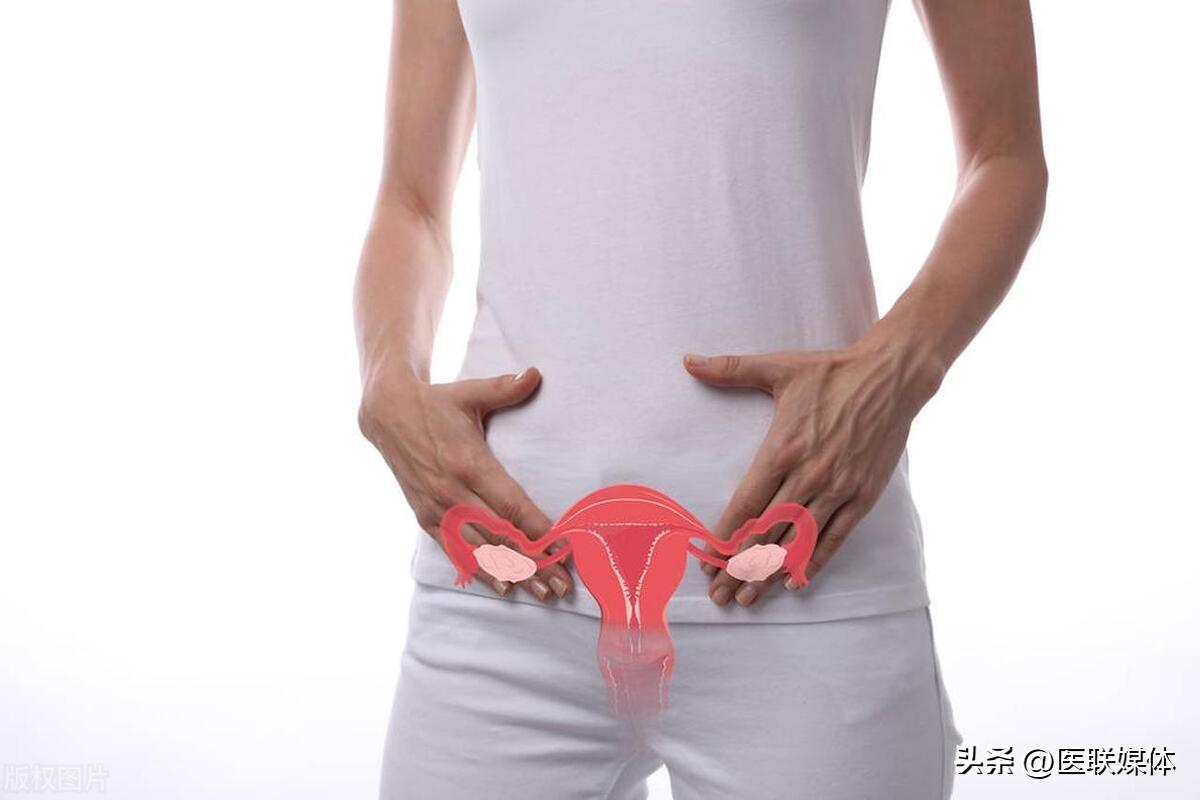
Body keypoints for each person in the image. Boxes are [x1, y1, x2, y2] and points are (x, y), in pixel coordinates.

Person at [353, 1, 1047, 797]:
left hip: (805, 572)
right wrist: (387, 383)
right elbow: (411, 201)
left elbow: (1005, 156)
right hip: (501, 580)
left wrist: (899, 366)